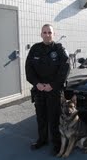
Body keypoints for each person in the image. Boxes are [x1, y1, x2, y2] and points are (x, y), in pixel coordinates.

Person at [25, 24, 70, 154]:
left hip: (54, 90)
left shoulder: (59, 49)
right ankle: (42, 140)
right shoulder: (35, 49)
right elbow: (29, 69)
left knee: (54, 118)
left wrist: (53, 85)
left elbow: (65, 69)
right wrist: (36, 83)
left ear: (53, 34)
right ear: (41, 34)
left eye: (49, 32)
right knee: (41, 117)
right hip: (39, 89)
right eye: (44, 32)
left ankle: (57, 144)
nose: (47, 34)